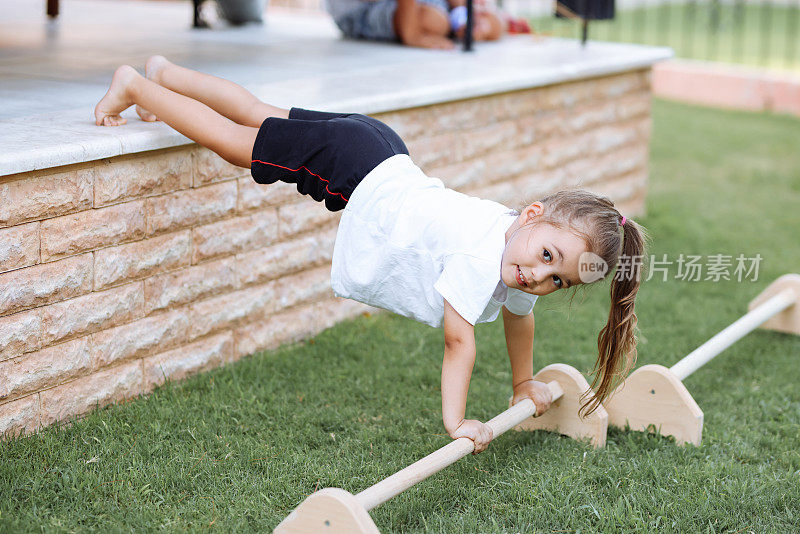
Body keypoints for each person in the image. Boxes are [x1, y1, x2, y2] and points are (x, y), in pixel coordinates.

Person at [94, 57, 647, 454]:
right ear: (531, 215)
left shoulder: (512, 247)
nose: (538, 277)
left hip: (381, 147)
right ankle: (138, 87)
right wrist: (457, 421)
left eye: (558, 281)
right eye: (547, 254)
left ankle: (167, 75)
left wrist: (523, 382)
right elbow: (460, 342)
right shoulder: (482, 257)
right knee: (232, 140)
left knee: (263, 113)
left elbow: (519, 322)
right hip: (353, 167)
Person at [325, 0, 503, 50]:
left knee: (493, 23)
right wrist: (411, 33)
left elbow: (497, 24)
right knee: (435, 23)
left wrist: (476, 20)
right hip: (360, 6)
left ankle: (470, 21)